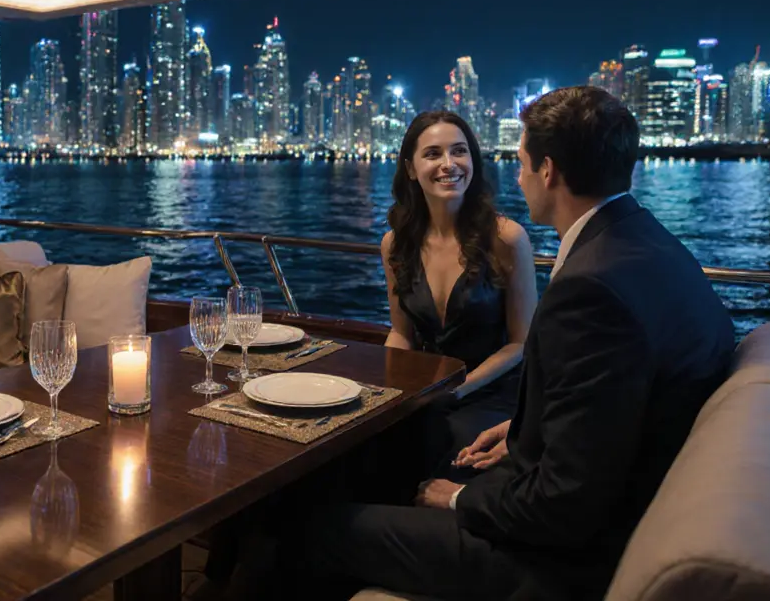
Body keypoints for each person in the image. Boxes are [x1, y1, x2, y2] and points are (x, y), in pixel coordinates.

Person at [283, 86, 735, 601]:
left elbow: (563, 504)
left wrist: (458, 500)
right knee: (364, 467)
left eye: (519, 163)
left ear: (548, 171)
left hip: (561, 562)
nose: (515, 177)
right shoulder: (649, 244)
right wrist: (524, 429)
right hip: (602, 506)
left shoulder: (589, 289)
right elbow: (600, 413)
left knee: (316, 527)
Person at [381, 111, 536, 481]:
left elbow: (521, 343)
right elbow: (401, 333)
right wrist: (380, 391)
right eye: (433, 154)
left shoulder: (507, 239)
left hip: (492, 391)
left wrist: (458, 388)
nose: (449, 164)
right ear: (411, 168)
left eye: (459, 151)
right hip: (427, 390)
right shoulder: (395, 245)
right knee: (364, 444)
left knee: (448, 449)